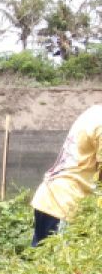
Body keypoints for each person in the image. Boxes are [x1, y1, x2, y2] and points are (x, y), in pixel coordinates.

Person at [30, 104, 102, 247]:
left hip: (52, 197)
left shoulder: (95, 111)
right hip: (65, 204)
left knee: (43, 263)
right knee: (63, 264)